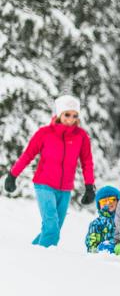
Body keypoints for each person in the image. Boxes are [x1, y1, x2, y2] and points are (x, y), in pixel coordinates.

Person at [4, 95, 95, 247]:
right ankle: (42, 263)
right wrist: (13, 175)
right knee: (52, 228)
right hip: (44, 185)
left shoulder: (81, 137)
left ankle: (31, 253)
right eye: (67, 114)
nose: (71, 119)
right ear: (59, 114)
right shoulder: (45, 133)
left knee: (53, 229)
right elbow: (28, 155)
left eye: (74, 115)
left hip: (65, 189)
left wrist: (89, 186)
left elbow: (87, 162)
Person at [85, 186, 120, 253]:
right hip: (104, 253)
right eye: (103, 201)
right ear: (99, 205)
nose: (108, 203)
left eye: (111, 199)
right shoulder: (96, 223)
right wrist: (95, 250)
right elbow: (91, 241)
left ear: (118, 201)